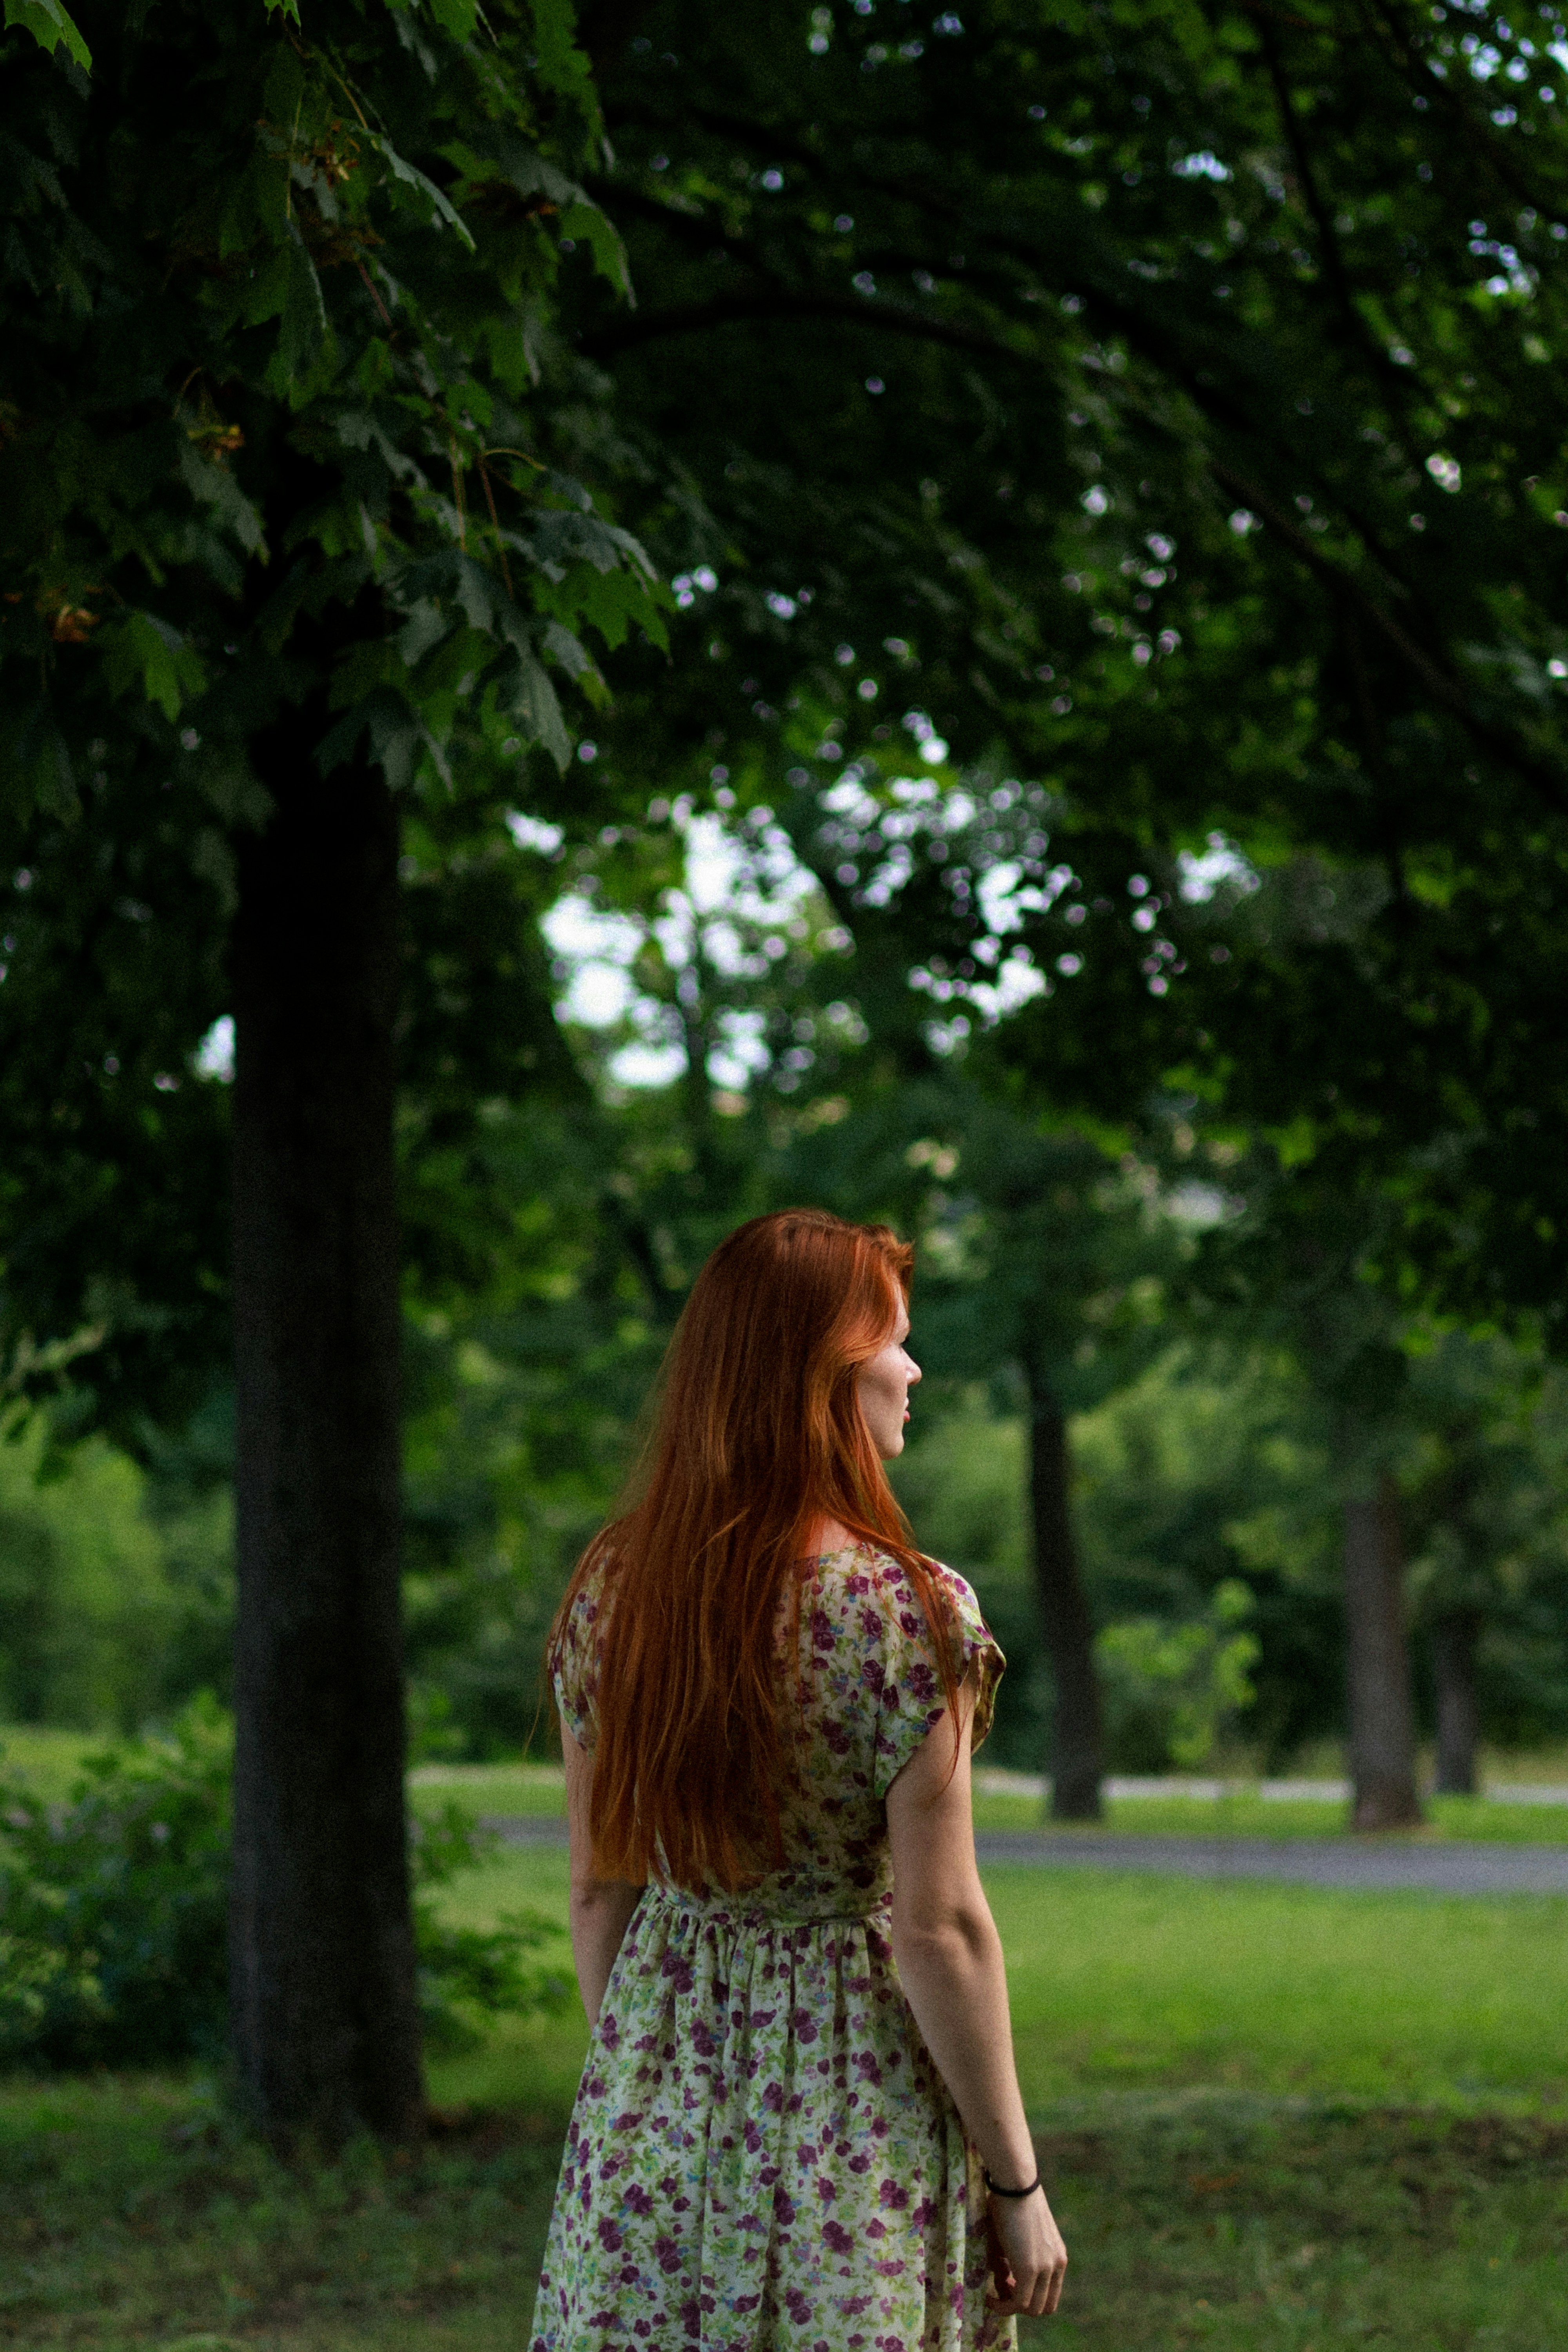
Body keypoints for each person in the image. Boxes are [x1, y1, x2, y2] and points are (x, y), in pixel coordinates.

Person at [530, 1208, 1068, 2350]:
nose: (914, 1369)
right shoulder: (903, 1614)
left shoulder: (614, 1594)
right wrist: (1018, 2189)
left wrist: (642, 2071)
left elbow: (598, 1887)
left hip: (654, 2094)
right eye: (895, 1341)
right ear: (824, 1372)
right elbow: (941, 1933)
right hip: (853, 2100)